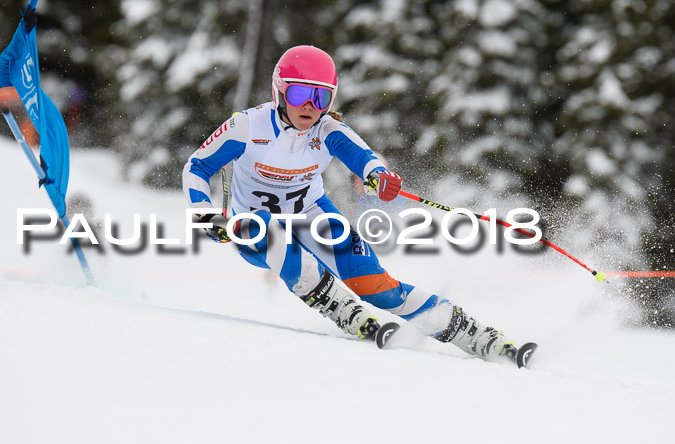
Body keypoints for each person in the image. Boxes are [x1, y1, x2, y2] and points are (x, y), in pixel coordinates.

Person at [183, 45, 516, 362]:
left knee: (378, 289)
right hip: (253, 229)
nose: (310, 106)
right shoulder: (247, 126)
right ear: (279, 92)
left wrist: (379, 176)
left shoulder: (327, 128)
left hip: (313, 217)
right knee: (267, 230)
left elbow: (361, 156)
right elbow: (197, 166)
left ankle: (471, 332)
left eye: (321, 96)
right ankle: (339, 306)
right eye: (300, 93)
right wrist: (205, 214)